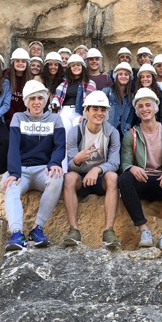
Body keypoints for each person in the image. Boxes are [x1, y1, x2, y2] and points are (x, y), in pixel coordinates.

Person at [118, 88, 162, 254]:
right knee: (124, 179)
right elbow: (125, 163)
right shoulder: (131, 134)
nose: (145, 109)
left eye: (148, 105)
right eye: (140, 106)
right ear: (137, 110)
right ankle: (144, 230)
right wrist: (132, 168)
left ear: (155, 107)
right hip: (142, 181)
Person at [2, 80, 66, 250]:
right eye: (32, 99)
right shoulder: (18, 117)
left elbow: (60, 146)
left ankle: (37, 229)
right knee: (10, 186)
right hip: (21, 169)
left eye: (40, 98)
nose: (36, 102)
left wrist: (54, 163)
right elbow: (13, 147)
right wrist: (14, 173)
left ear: (45, 100)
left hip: (42, 169)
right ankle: (17, 234)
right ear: (26, 101)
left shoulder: (55, 119)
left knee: (57, 178)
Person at [63, 91, 121, 248]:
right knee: (69, 178)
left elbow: (115, 163)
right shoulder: (75, 132)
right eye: (95, 109)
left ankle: (108, 231)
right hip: (80, 179)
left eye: (103, 109)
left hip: (100, 178)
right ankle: (73, 230)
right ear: (86, 111)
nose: (99, 113)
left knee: (113, 177)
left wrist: (97, 170)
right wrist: (77, 160)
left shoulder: (112, 133)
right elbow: (69, 164)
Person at [51, 54, 96, 131]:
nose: (76, 67)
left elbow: (91, 101)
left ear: (83, 67)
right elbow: (56, 97)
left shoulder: (90, 83)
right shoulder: (64, 84)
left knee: (77, 134)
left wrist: (86, 115)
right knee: (65, 134)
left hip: (79, 112)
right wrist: (55, 104)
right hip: (64, 111)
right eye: (73, 65)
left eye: (78, 65)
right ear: (70, 68)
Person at [103, 62, 135, 137]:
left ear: (130, 77)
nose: (123, 76)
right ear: (116, 76)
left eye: (126, 74)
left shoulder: (132, 95)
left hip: (123, 132)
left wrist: (127, 127)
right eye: (120, 74)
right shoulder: (107, 91)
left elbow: (131, 115)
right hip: (106, 131)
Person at [4, 48, 32, 126]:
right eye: (17, 61)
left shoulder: (31, 80)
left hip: (25, 119)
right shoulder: (6, 76)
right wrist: (14, 117)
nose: (20, 63)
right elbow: (4, 101)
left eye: (23, 61)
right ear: (13, 63)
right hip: (7, 117)